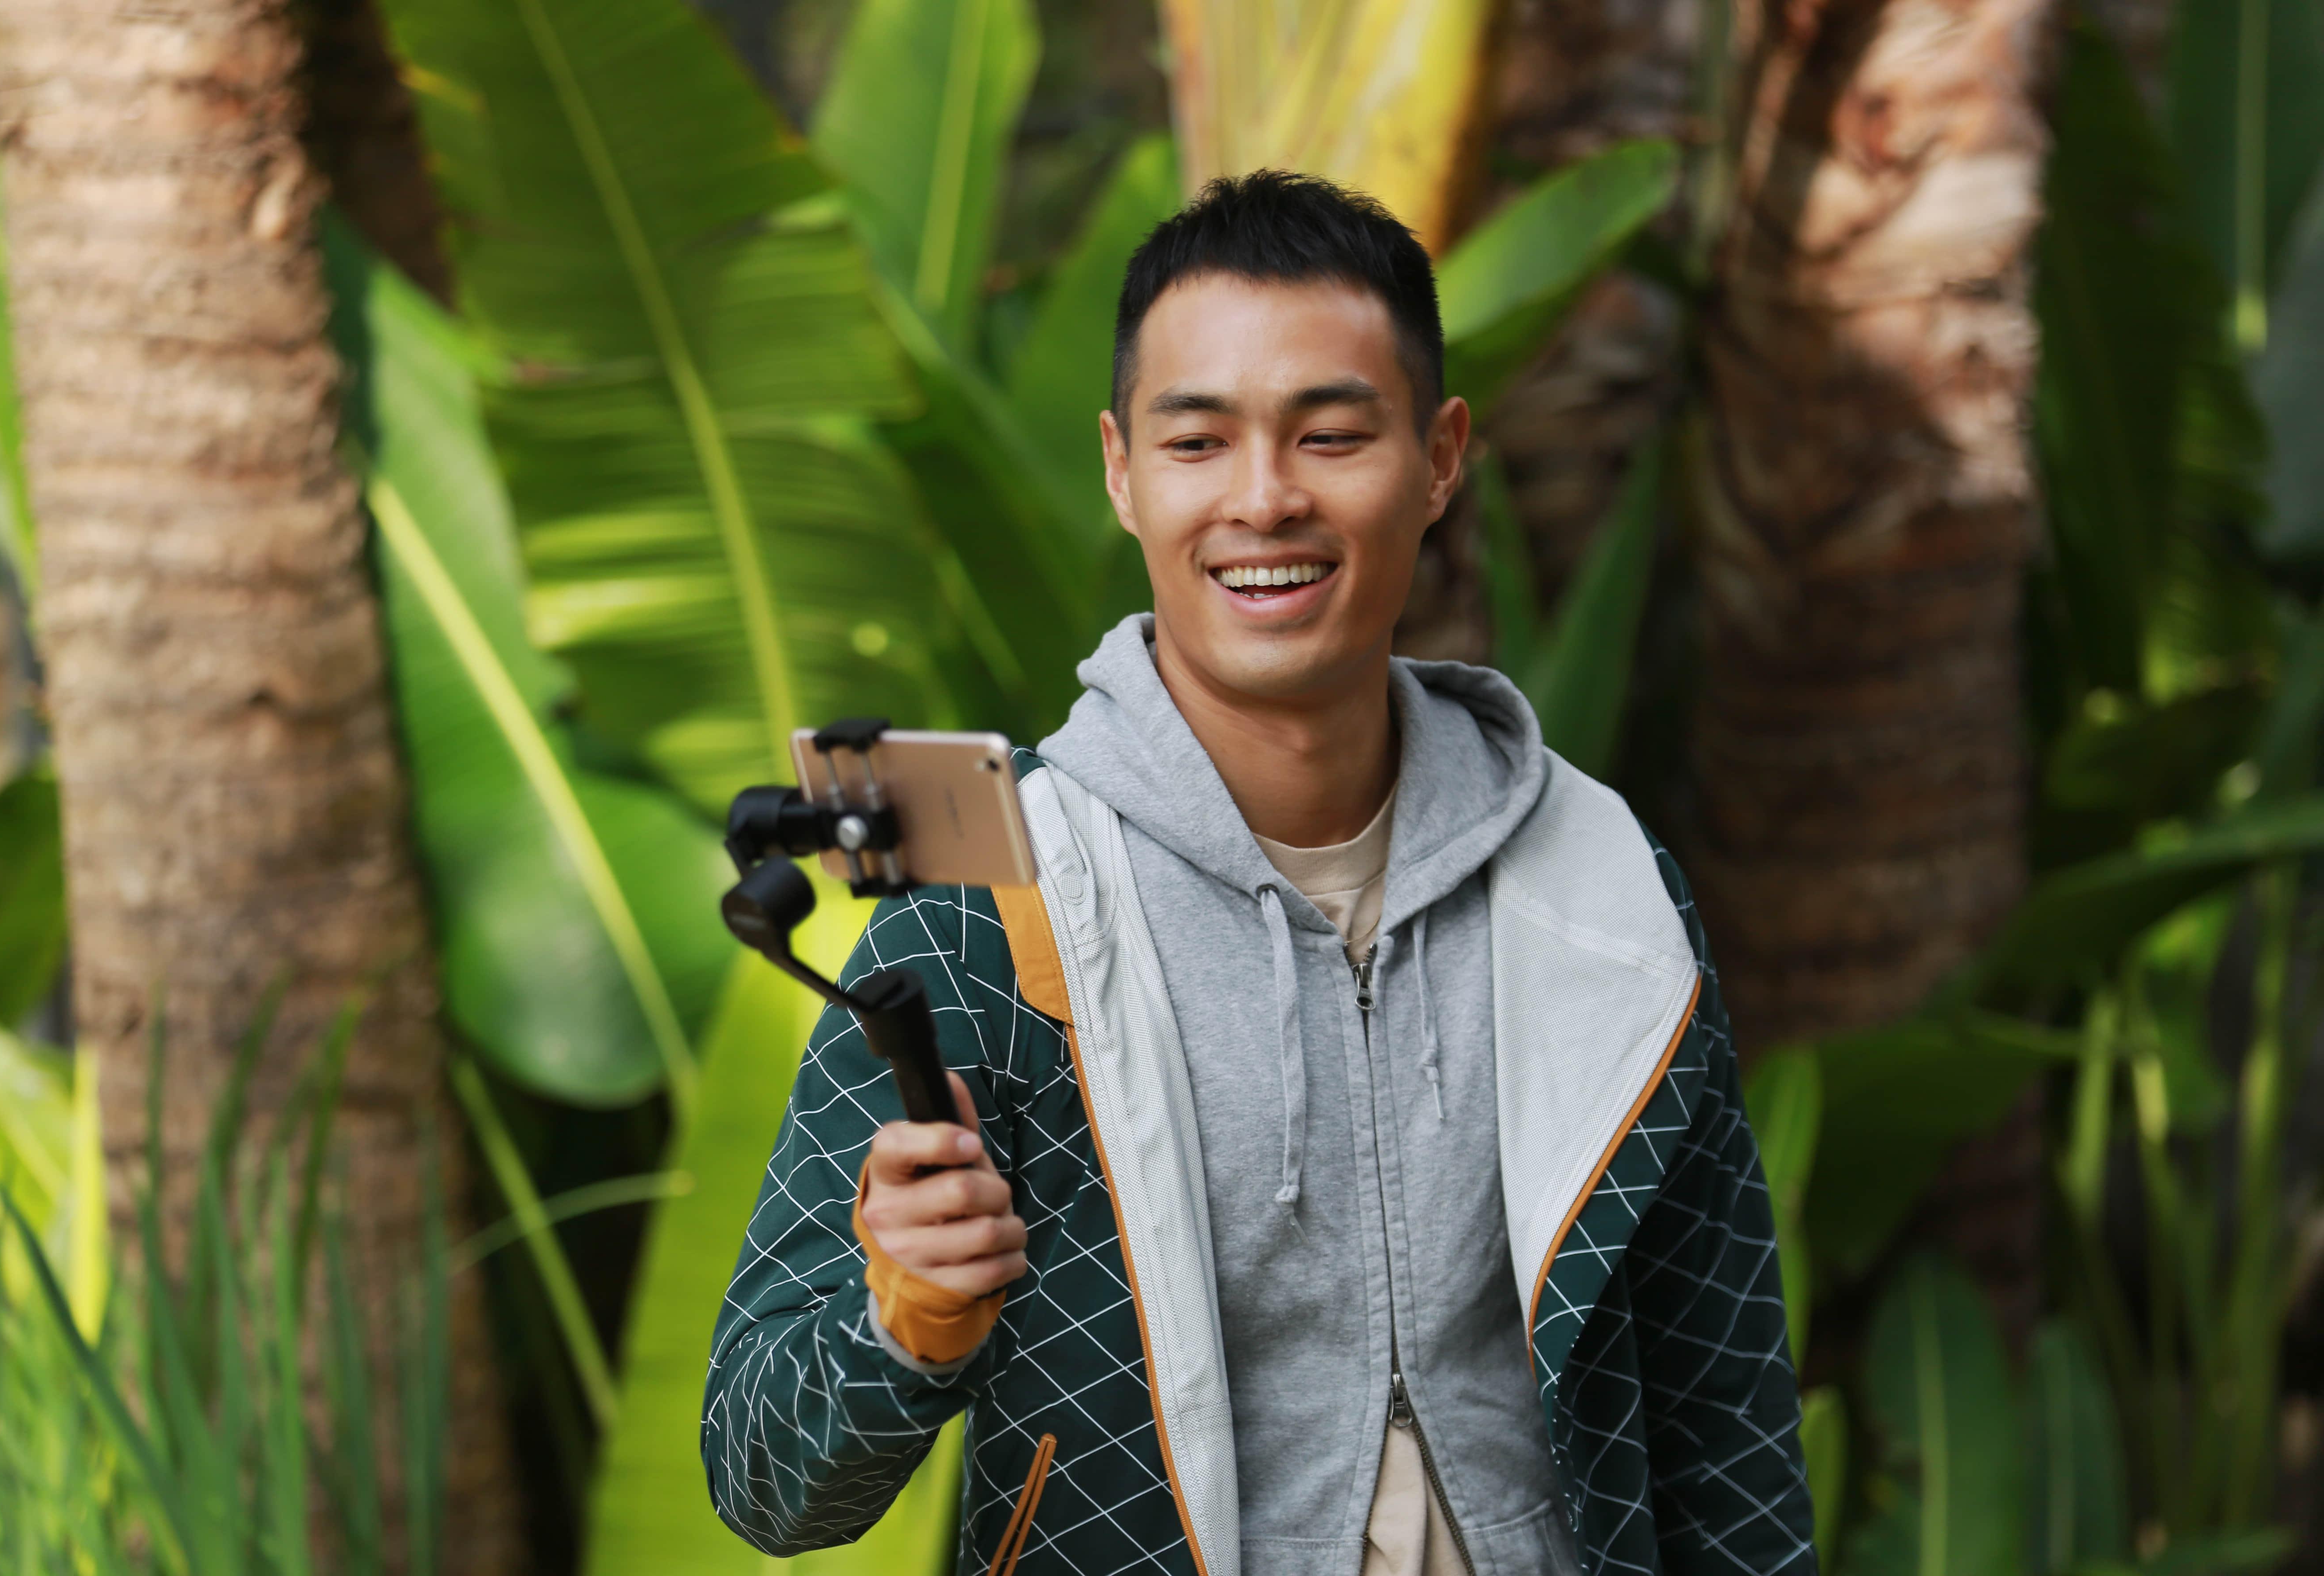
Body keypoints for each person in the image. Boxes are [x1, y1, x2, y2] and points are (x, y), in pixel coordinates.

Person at [704, 170, 1814, 1576]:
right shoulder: (1000, 913)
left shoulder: (1597, 885)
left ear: (1440, 456)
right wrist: (907, 1323)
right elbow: (763, 1479)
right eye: (1198, 441)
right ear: (1121, 471)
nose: (1265, 499)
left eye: (1334, 433)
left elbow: (1729, 1431)